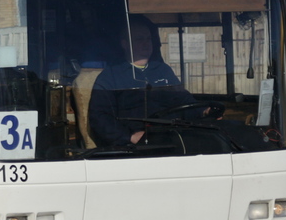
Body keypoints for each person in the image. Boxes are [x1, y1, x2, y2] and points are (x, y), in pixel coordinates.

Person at [88, 16, 215, 147]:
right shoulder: (110, 76)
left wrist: (204, 111)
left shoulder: (163, 70)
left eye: (148, 39)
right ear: (124, 44)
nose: (146, 43)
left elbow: (184, 101)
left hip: (171, 138)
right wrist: (129, 136)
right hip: (134, 146)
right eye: (139, 39)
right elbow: (100, 117)